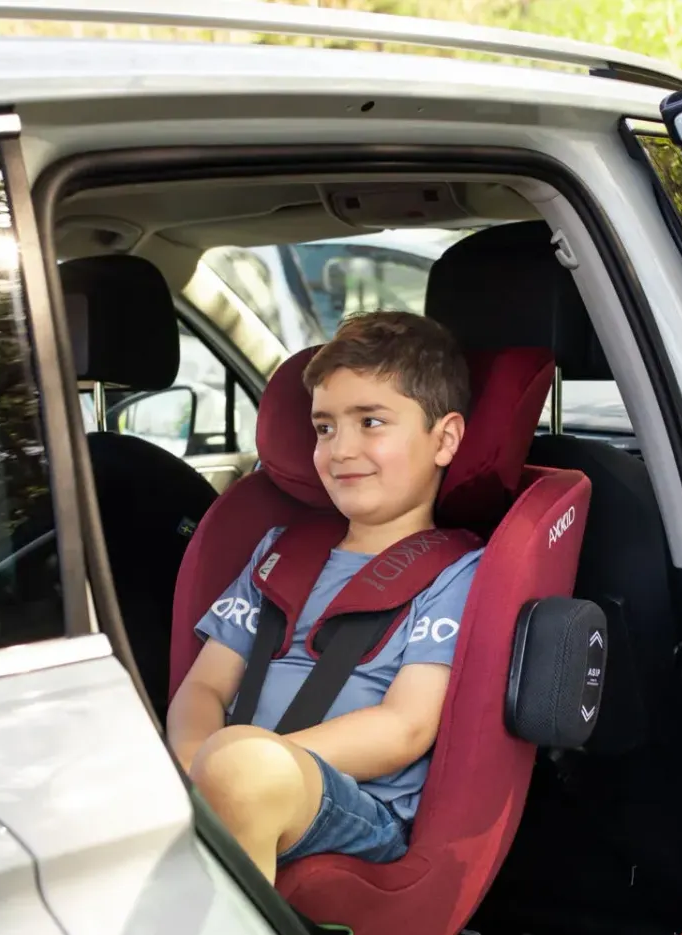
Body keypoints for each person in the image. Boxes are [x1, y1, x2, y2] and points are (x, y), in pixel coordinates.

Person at [167, 311, 481, 881]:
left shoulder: (457, 572)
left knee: (244, 773)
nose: (340, 449)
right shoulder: (279, 552)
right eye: (325, 428)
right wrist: (195, 765)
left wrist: (251, 761)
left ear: (445, 439)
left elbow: (405, 727)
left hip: (357, 806)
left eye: (371, 422)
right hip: (241, 772)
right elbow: (206, 685)